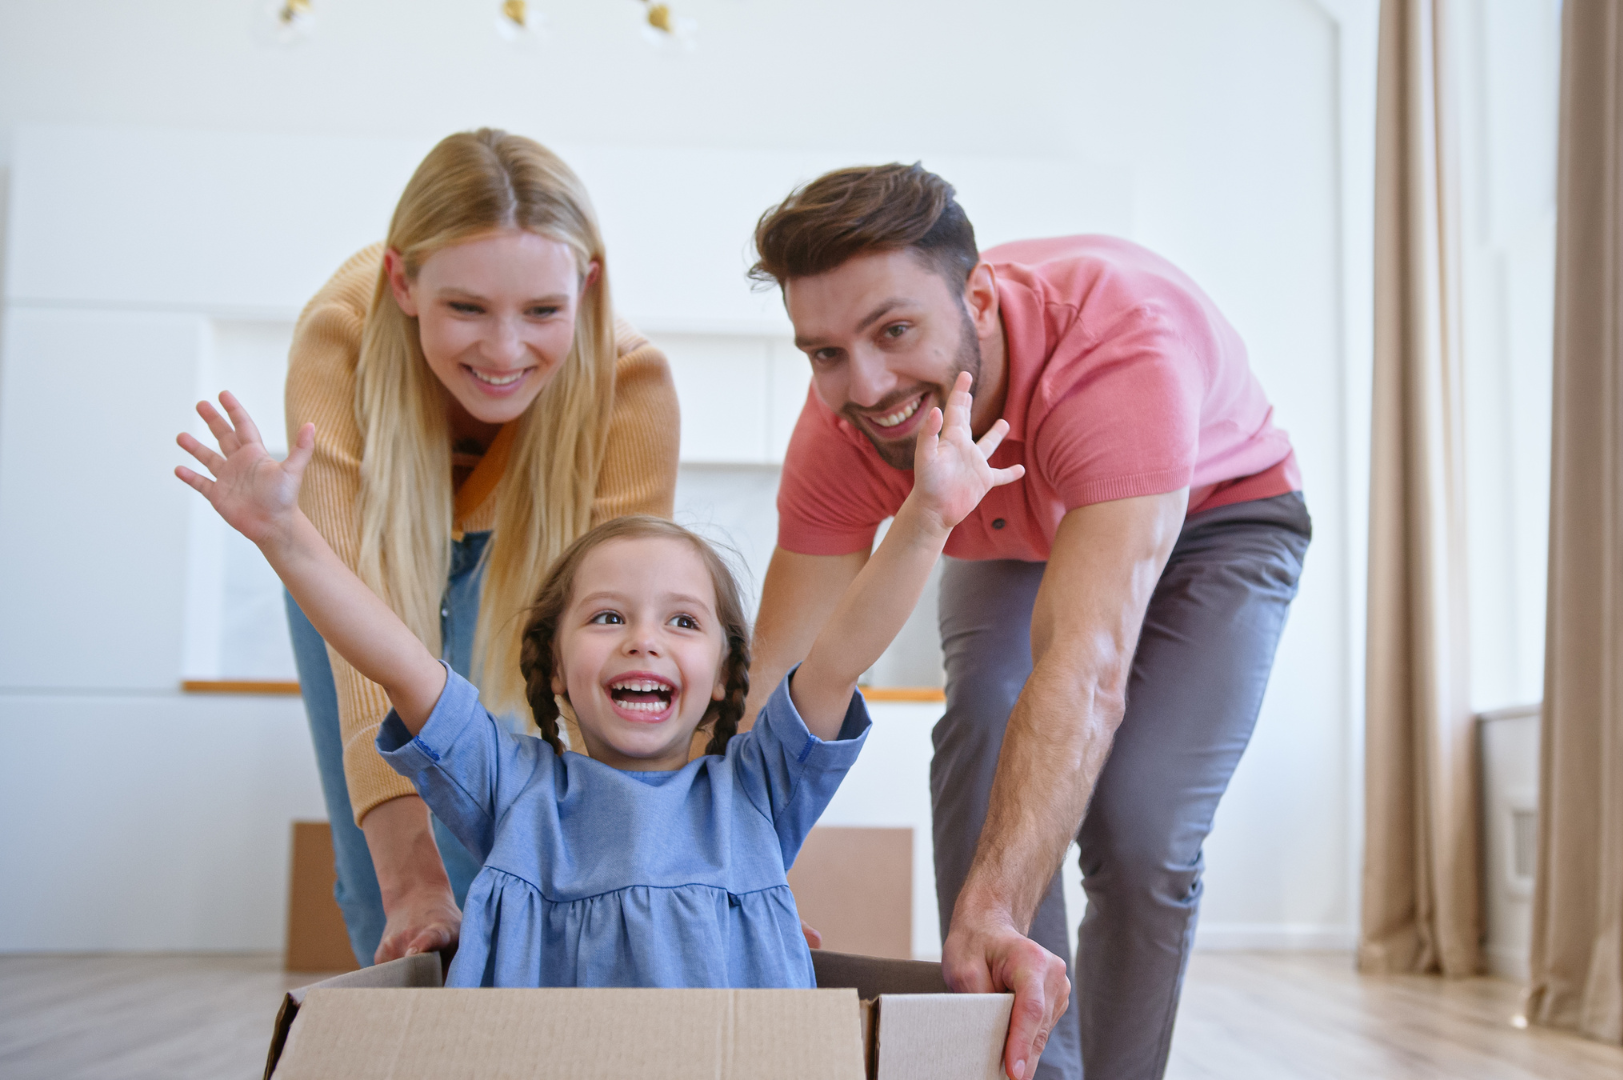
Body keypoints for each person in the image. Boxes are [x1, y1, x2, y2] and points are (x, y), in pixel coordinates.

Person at [742, 164, 1311, 1080]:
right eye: (826, 352)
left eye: (894, 330)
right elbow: (779, 675)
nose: (869, 385)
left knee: (1139, 828)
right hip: (1010, 529)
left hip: (1220, 519)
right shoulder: (847, 421)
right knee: (979, 726)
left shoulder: (1118, 347)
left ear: (978, 294)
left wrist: (997, 903)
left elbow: (1083, 669)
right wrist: (719, 876)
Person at [174, 379, 1020, 986]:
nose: (644, 643)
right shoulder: (513, 788)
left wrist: (926, 520)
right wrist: (284, 534)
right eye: (608, 618)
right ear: (551, 665)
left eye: (682, 622)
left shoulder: (756, 792)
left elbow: (838, 651)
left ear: (727, 674)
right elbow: (395, 657)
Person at [283, 129, 679, 967]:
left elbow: (624, 666)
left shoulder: (631, 386)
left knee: (491, 844)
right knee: (387, 880)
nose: (504, 353)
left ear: (587, 286)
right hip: (365, 542)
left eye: (543, 312)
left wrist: (702, 872)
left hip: (526, 544)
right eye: (466, 308)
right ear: (404, 282)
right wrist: (410, 883)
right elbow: (366, 661)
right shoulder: (340, 339)